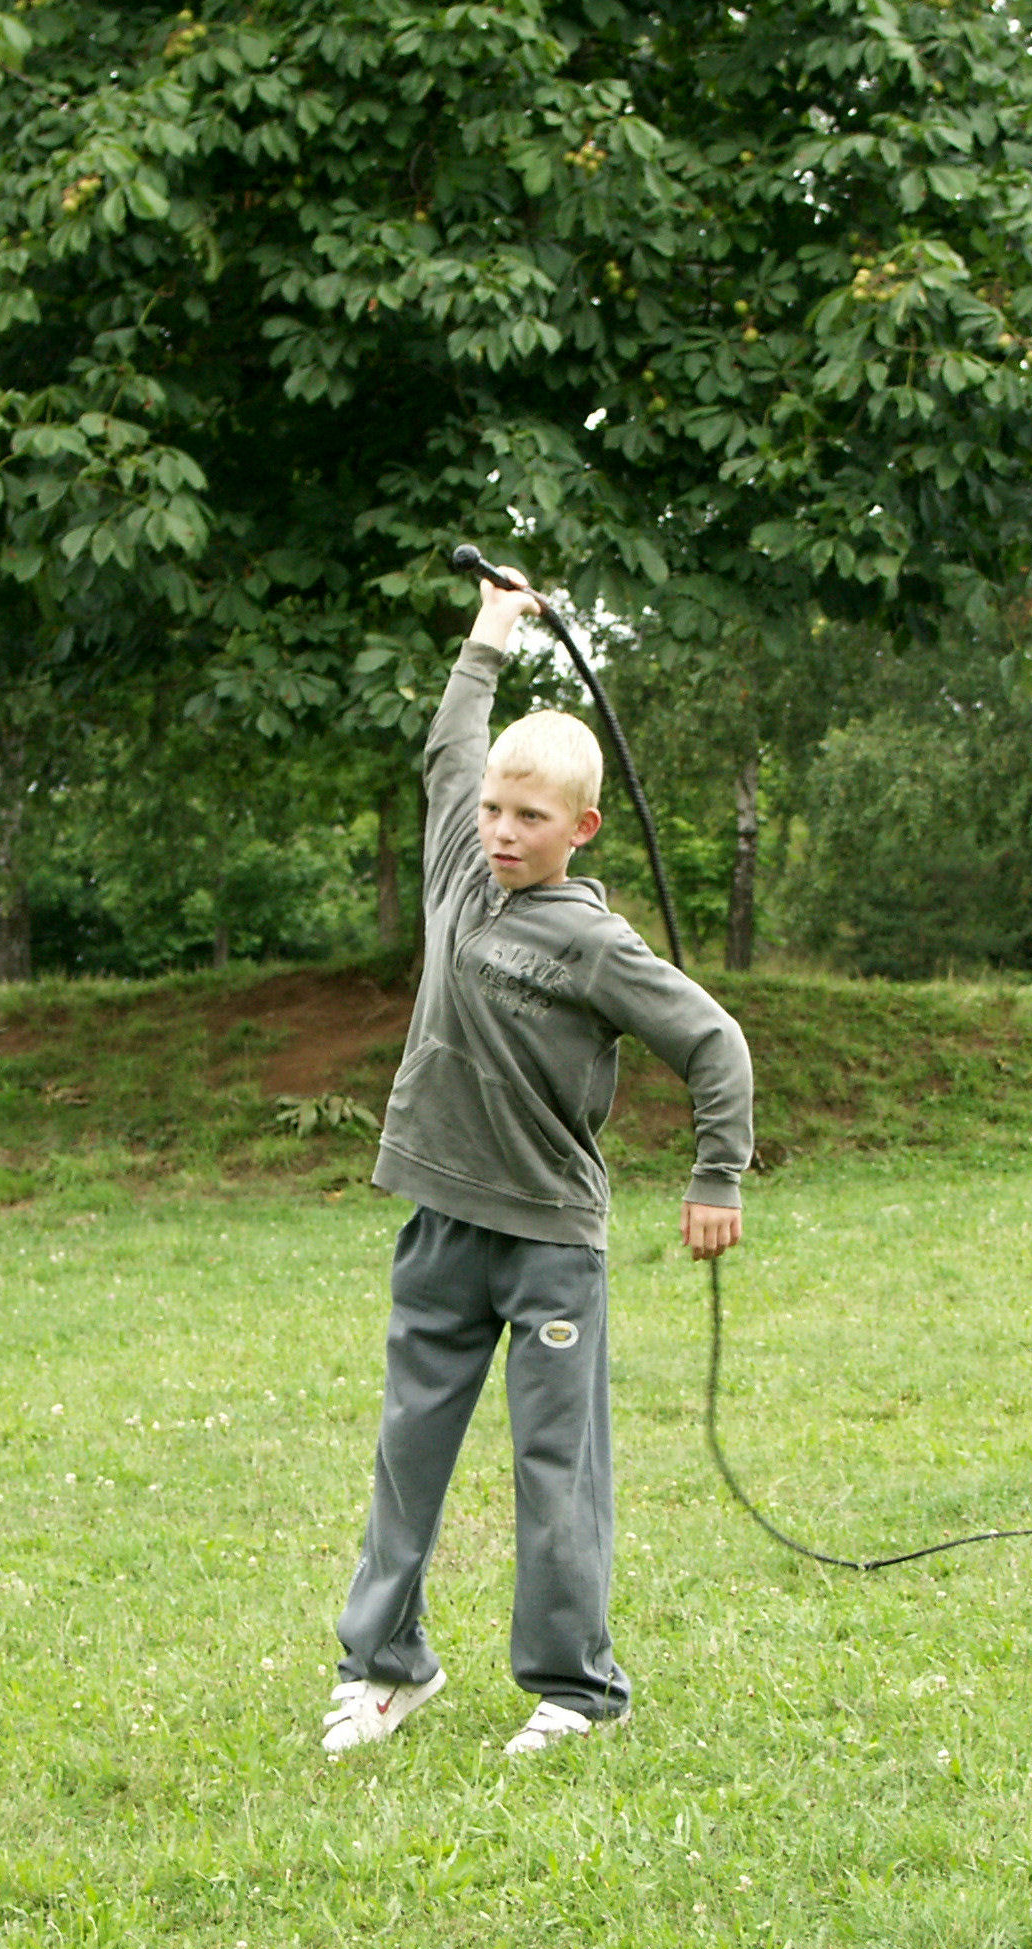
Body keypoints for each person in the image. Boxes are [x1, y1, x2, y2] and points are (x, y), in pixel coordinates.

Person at [323, 567, 753, 1757]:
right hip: (440, 1225)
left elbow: (713, 1043)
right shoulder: (457, 877)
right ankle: (386, 1667)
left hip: (550, 1241)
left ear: (580, 829)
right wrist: (490, 630)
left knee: (555, 1465)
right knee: (408, 1453)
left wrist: (716, 1177)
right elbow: (449, 750)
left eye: (528, 817)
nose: (501, 832)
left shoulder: (596, 945)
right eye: (493, 811)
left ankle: (576, 1689)